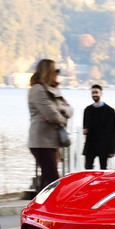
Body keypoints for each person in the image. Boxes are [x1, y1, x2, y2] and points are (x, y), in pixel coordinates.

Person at [28, 59, 73, 192]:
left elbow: (70, 109)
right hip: (41, 142)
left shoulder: (53, 89)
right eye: (56, 71)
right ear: (48, 72)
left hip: (52, 142)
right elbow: (52, 114)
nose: (58, 74)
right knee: (53, 179)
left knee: (47, 179)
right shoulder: (38, 90)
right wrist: (60, 115)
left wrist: (62, 111)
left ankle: (38, 208)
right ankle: (51, 207)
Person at [83, 84, 115, 170]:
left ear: (101, 93)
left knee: (103, 169)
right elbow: (85, 126)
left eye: (96, 92)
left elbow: (112, 131)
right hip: (90, 144)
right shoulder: (87, 110)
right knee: (88, 168)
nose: (94, 94)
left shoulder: (110, 111)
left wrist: (112, 149)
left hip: (104, 145)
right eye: (93, 92)